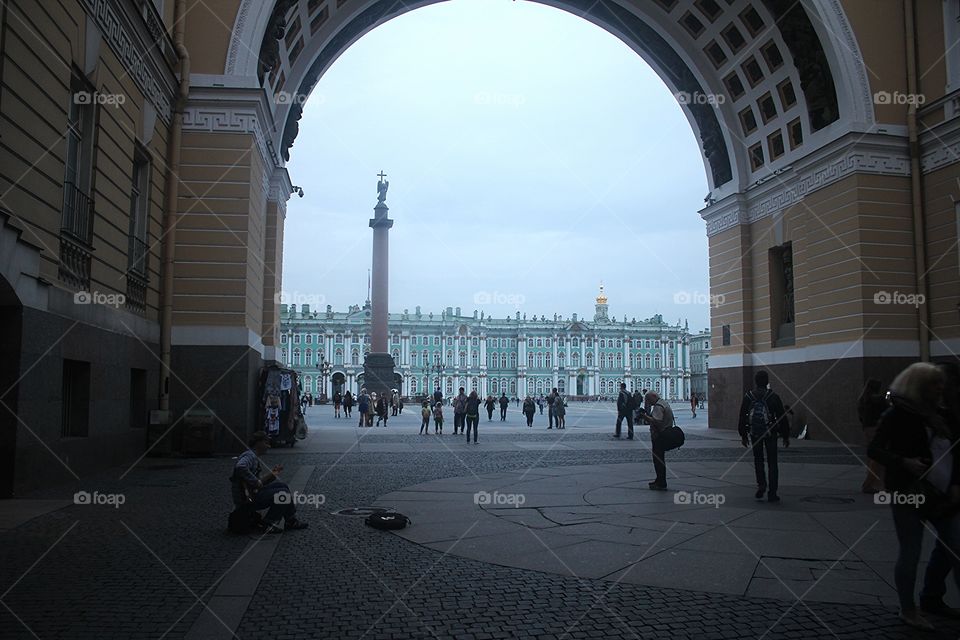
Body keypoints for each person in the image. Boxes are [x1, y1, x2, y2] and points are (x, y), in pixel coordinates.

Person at [869, 362, 960, 631]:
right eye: (934, 383)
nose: (940, 387)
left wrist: (955, 483)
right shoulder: (896, 416)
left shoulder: (943, 415)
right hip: (909, 493)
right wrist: (904, 462)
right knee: (910, 551)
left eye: (940, 382)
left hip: (944, 496)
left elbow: (955, 453)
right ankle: (908, 609)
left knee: (955, 548)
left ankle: (928, 599)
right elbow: (874, 449)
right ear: (919, 385)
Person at [230, 431, 308, 533]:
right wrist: (256, 482)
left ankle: (290, 520)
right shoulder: (250, 456)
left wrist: (273, 474)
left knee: (282, 486)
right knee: (283, 494)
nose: (269, 446)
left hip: (253, 492)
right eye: (266, 443)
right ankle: (268, 523)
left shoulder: (252, 456)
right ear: (259, 443)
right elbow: (240, 467)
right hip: (246, 498)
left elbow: (260, 482)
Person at [738, 370, 789, 503]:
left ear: (756, 382)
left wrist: (743, 435)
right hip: (771, 433)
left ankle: (761, 485)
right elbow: (782, 417)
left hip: (755, 433)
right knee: (773, 462)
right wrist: (785, 435)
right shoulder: (773, 397)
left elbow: (742, 416)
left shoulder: (749, 397)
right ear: (767, 382)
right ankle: (772, 492)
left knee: (758, 460)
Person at [638, 390, 674, 490]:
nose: (649, 402)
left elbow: (657, 421)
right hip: (665, 433)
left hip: (659, 436)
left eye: (649, 400)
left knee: (658, 460)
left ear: (654, 396)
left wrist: (645, 416)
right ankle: (659, 480)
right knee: (660, 459)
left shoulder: (658, 406)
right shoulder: (664, 403)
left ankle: (661, 482)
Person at [857, 378, 888, 493]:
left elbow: (861, 416)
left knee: (872, 457)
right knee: (878, 458)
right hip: (876, 429)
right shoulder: (879, 400)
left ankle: (871, 483)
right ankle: (871, 484)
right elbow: (887, 413)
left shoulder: (862, 399)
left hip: (867, 429)